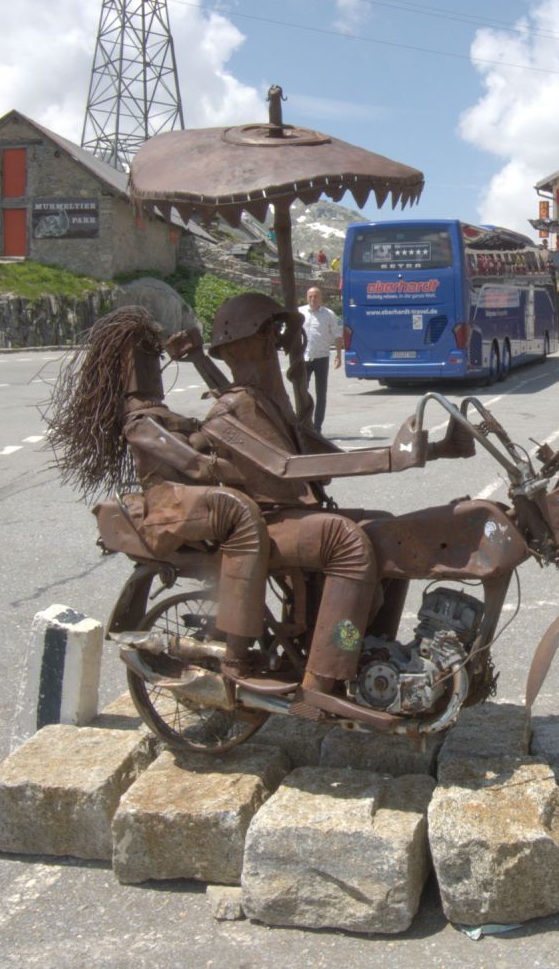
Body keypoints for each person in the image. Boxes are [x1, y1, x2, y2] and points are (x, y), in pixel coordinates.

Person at [177, 292, 472, 709]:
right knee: (346, 542)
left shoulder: (269, 404)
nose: (273, 344)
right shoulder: (227, 412)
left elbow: (329, 458)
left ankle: (369, 653)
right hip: (262, 523)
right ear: (236, 346)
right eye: (263, 335)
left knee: (391, 530)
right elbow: (283, 467)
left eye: (273, 334)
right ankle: (321, 684)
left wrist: (438, 448)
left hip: (295, 515)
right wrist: (394, 457)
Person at [44, 307, 271, 683]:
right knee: (240, 512)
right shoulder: (141, 422)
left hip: (190, 498)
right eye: (143, 358)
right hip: (170, 502)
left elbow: (223, 417)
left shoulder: (162, 413)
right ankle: (235, 658)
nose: (152, 366)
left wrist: (200, 360)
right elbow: (194, 464)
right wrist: (245, 471)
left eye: (154, 356)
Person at [297, 286, 342, 431]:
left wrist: (339, 355)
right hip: (304, 358)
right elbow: (290, 333)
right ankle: (304, 424)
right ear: (306, 297)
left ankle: (317, 427)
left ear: (321, 298)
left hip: (321, 358)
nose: (313, 299)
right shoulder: (300, 312)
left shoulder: (329, 314)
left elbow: (337, 335)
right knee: (302, 393)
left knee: (321, 394)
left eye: (316, 296)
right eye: (310, 296)